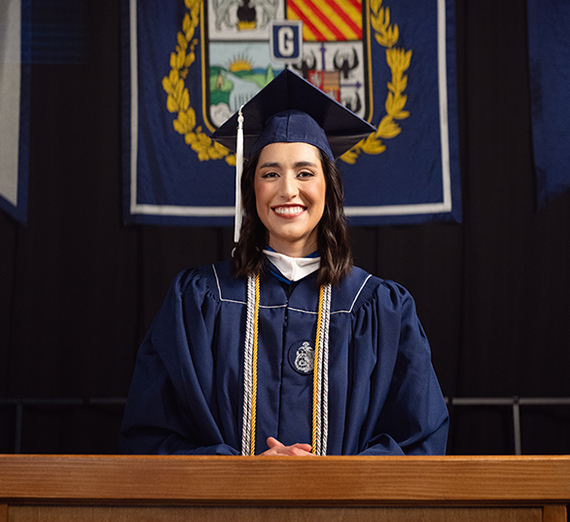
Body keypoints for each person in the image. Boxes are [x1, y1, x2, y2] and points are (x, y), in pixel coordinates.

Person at [119, 70, 449, 456]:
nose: (287, 190)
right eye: (270, 173)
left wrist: (330, 480)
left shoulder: (381, 309)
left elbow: (420, 441)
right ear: (252, 190)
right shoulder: (198, 301)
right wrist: (243, 474)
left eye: (305, 173)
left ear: (329, 188)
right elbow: (149, 437)